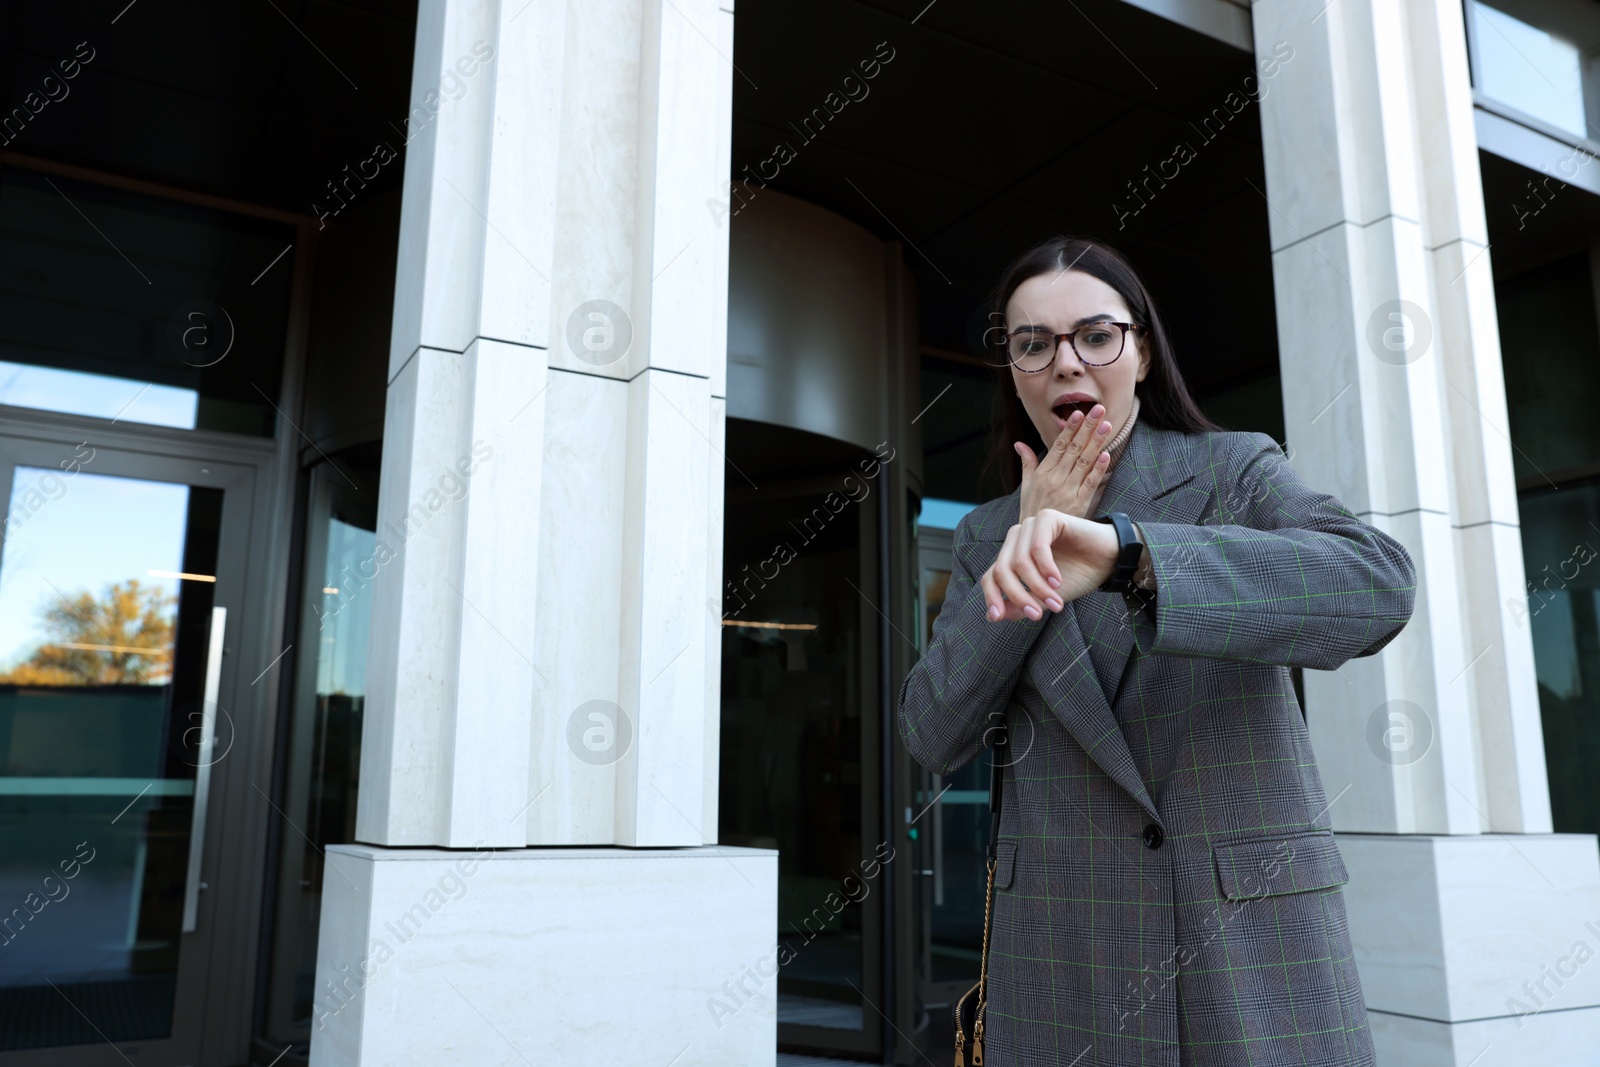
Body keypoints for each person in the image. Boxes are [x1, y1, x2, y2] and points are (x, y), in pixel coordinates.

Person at [897, 236, 1416, 1066]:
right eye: (1033, 344)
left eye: (1095, 335)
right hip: (1060, 959)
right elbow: (931, 731)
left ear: (1139, 351)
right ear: (1014, 368)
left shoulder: (1231, 470)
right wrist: (1029, 561)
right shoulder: (982, 536)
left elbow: (1375, 585)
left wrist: (1129, 555)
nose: (1065, 362)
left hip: (1241, 946)